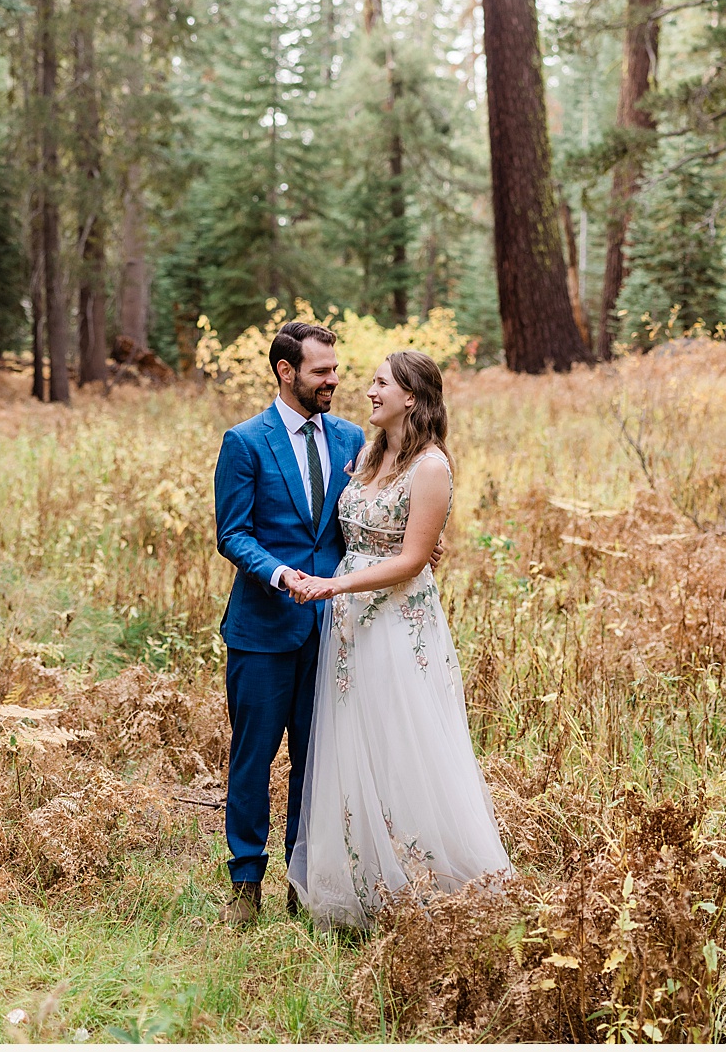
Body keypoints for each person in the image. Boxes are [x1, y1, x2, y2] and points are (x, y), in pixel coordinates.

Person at [284, 349, 513, 926]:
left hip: (395, 620)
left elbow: (412, 560)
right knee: (354, 741)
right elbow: (358, 529)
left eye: (380, 383)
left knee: (404, 739)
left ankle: (429, 883)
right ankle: (363, 885)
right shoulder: (367, 455)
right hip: (350, 626)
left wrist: (333, 588)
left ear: (411, 396)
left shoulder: (431, 467)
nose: (368, 390)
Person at [211, 320, 361, 926]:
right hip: (264, 628)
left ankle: (303, 883)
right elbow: (233, 534)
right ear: (285, 371)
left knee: (315, 758)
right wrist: (281, 576)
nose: (333, 380)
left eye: (335, 369)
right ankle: (246, 883)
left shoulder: (352, 438)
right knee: (253, 757)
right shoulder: (245, 441)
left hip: (335, 629)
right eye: (321, 371)